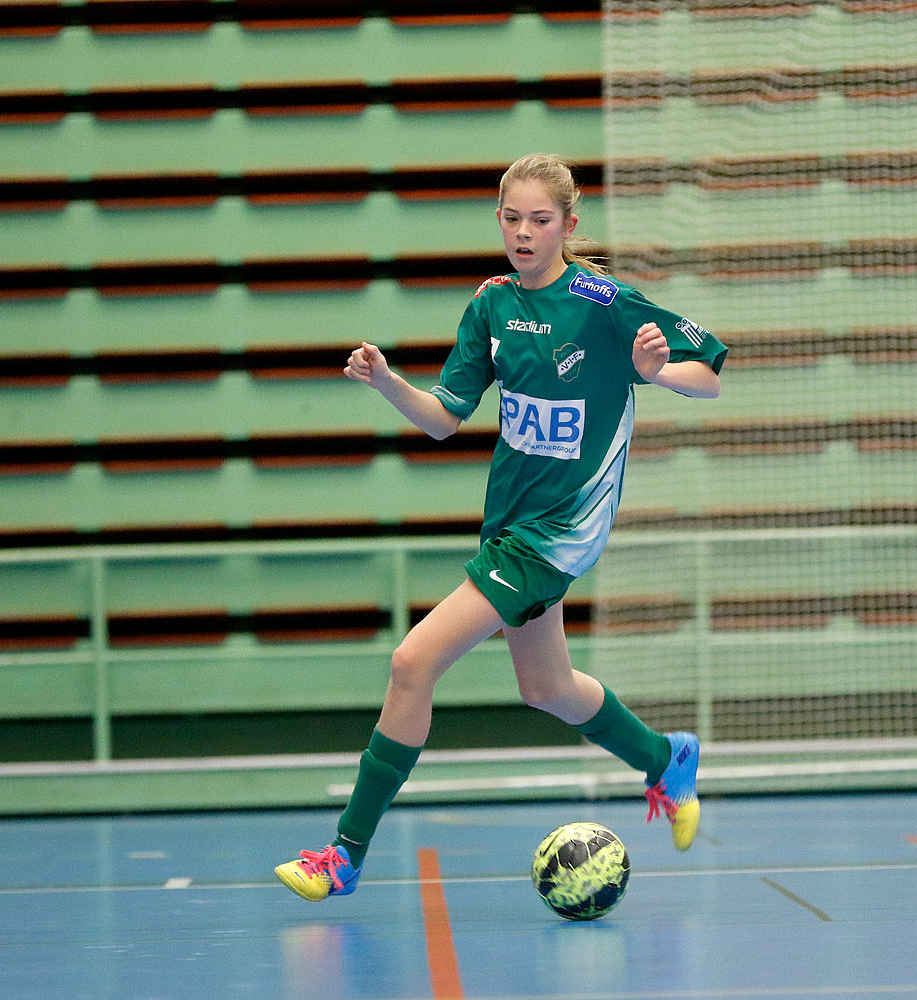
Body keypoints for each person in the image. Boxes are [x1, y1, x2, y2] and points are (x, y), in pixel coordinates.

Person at [274, 153, 728, 901]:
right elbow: (445, 420)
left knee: (412, 664)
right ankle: (665, 759)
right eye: (511, 218)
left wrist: (656, 373)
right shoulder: (491, 305)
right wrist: (389, 383)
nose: (523, 232)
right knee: (547, 686)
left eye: (540, 220)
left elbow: (708, 375)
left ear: (568, 225)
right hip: (510, 522)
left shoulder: (605, 302)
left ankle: (344, 855)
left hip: (561, 529)